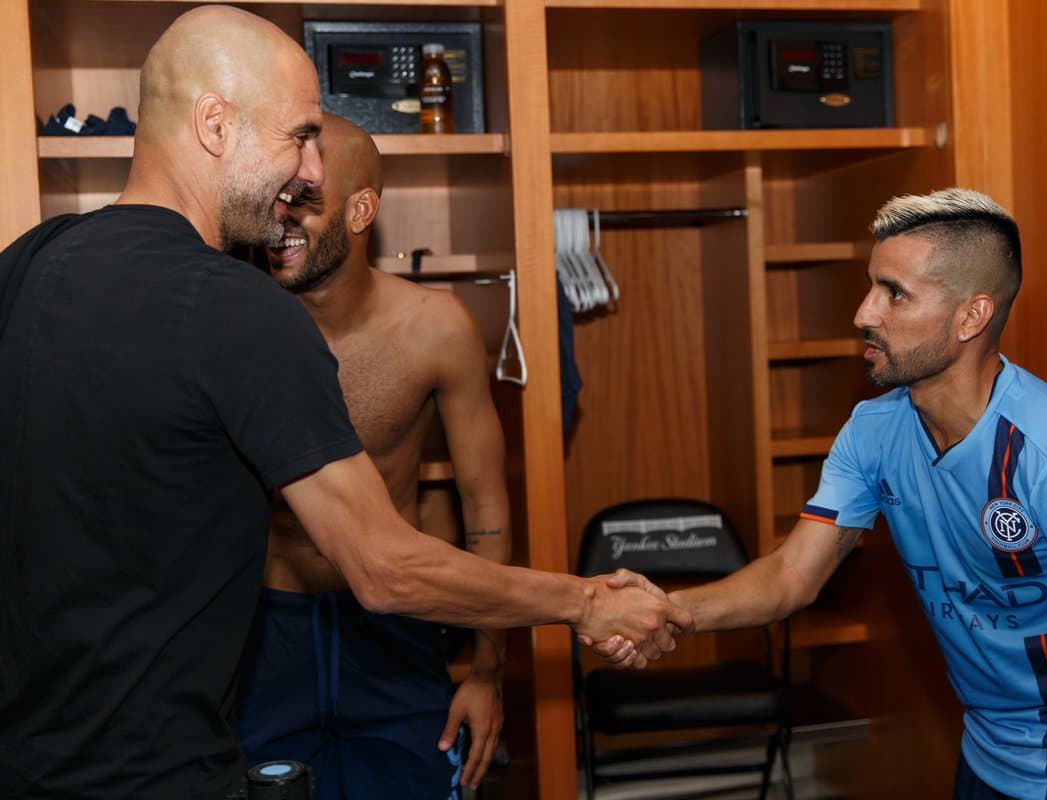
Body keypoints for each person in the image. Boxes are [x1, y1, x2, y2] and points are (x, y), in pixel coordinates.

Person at [0, 7, 686, 799]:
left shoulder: (25, 266)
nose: (312, 172)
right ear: (216, 126)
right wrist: (585, 601)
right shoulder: (241, 310)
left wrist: (489, 666)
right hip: (160, 770)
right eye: (297, 135)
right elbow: (385, 567)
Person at [594, 189, 1047, 800]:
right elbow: (790, 576)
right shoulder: (874, 430)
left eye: (893, 293)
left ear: (971, 316)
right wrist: (674, 610)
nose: (862, 313)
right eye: (869, 286)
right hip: (988, 759)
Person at [237, 114, 510, 799]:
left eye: (305, 200)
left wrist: (485, 672)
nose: (281, 218)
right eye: (277, 196)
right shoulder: (230, 326)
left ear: (362, 209)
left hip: (393, 630)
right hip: (266, 629)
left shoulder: (435, 328)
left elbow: (485, 505)